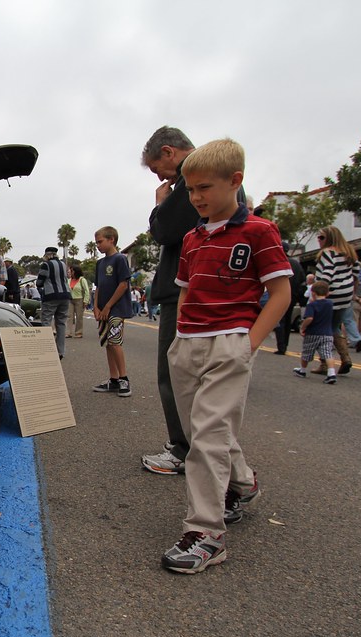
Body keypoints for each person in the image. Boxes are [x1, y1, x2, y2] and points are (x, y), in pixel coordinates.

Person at [159, 138, 291, 574]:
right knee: (204, 432)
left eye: (204, 188)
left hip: (229, 343)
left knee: (209, 438)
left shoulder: (258, 231)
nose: (196, 198)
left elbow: (281, 293)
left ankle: (206, 534)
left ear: (235, 181)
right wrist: (179, 340)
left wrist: (247, 344)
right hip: (188, 344)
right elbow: (184, 294)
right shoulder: (192, 239)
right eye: (190, 190)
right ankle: (244, 483)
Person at [139, 126, 199, 476]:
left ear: (168, 152)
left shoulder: (192, 174)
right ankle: (201, 450)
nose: (159, 176)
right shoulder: (211, 174)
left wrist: (160, 204)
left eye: (156, 167)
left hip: (185, 292)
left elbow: (164, 231)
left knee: (174, 372)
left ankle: (182, 447)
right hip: (201, 289)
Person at [312, 226, 361, 374]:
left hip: (330, 294)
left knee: (321, 329)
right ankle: (345, 357)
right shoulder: (349, 253)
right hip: (345, 295)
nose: (319, 240)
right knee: (334, 326)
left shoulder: (328, 253)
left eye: (321, 237)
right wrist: (352, 290)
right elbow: (356, 273)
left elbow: (327, 274)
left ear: (330, 239)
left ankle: (325, 363)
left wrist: (318, 294)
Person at [90, 226, 133, 397]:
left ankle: (124, 378)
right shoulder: (100, 263)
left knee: (115, 342)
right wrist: (96, 306)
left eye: (100, 242)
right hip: (102, 310)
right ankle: (113, 379)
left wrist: (108, 306)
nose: (98, 246)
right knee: (107, 343)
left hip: (116, 308)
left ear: (111, 240)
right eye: (96, 243)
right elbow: (99, 286)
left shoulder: (120, 259)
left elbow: (123, 284)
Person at [293, 280, 338, 384]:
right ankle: (331, 373)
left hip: (313, 333)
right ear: (327, 293)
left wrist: (302, 327)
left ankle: (302, 370)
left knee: (306, 353)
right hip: (327, 333)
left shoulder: (312, 305)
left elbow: (309, 318)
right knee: (328, 353)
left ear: (313, 293)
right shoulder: (330, 304)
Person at [36, 246, 71, 359]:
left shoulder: (46, 265)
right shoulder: (63, 264)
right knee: (61, 323)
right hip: (65, 295)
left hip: (51, 295)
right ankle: (61, 351)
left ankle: (47, 350)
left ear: (47, 255)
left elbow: (39, 282)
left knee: (46, 321)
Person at [273, 240, 306, 355]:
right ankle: (285, 344)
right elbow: (302, 281)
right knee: (287, 321)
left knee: (279, 320)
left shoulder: (277, 261)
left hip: (278, 296)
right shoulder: (296, 264)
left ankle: (281, 346)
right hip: (292, 296)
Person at [66, 264, 90, 338]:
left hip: (79, 299)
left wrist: (86, 301)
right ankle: (68, 332)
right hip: (70, 300)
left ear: (75, 271)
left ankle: (78, 332)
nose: (70, 272)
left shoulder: (82, 280)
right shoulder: (68, 280)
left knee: (79, 317)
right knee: (69, 316)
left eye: (71, 270)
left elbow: (86, 291)